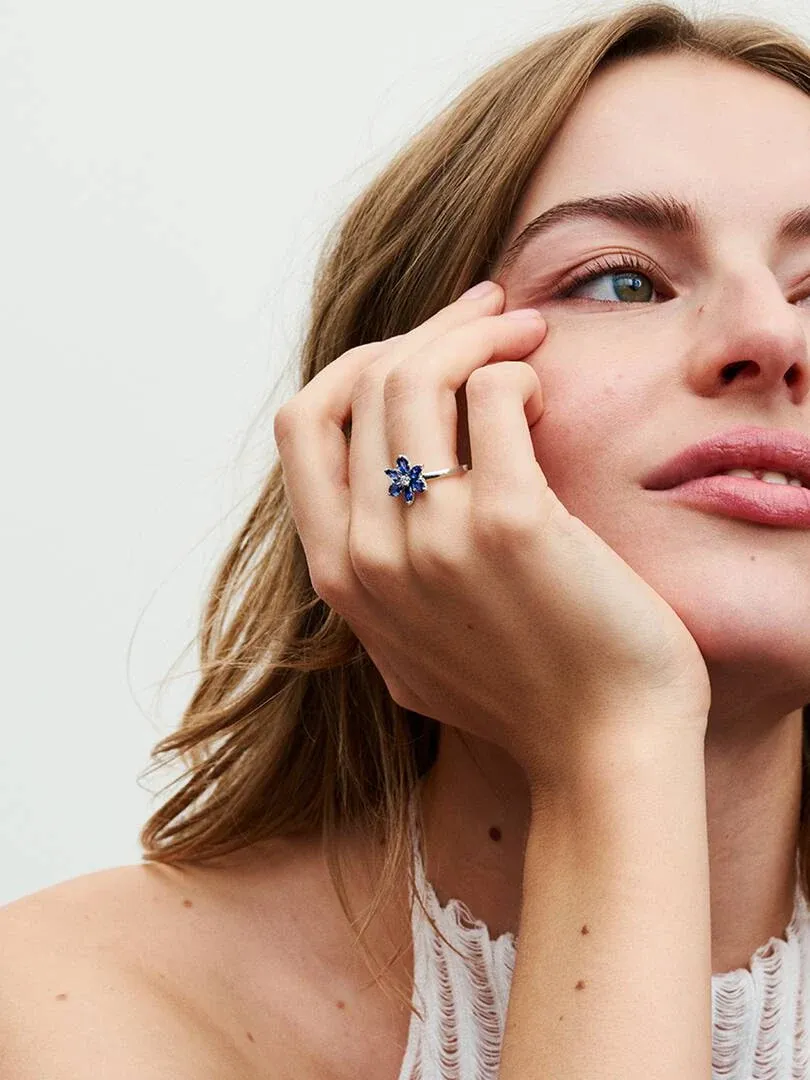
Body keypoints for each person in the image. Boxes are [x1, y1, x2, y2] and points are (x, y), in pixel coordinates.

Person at [4, 1, 810, 1076]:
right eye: (622, 279)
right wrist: (612, 749)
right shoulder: (80, 1007)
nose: (770, 338)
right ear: (400, 418)